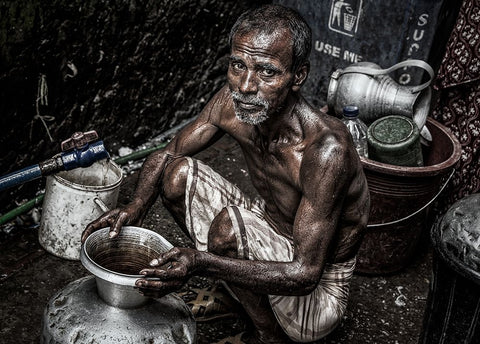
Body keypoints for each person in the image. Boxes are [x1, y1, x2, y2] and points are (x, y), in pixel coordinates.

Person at [82, 4, 370, 343]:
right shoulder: (233, 101)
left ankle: (267, 334)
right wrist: (136, 206)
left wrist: (200, 262)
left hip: (316, 292)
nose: (247, 85)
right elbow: (167, 153)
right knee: (175, 174)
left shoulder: (325, 151)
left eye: (267, 72)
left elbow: (305, 274)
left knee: (228, 229)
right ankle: (242, 294)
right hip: (271, 228)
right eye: (238, 65)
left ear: (299, 75)